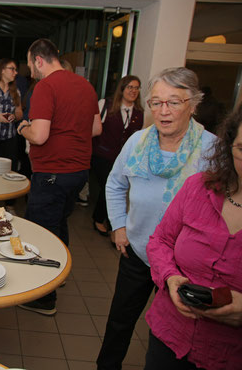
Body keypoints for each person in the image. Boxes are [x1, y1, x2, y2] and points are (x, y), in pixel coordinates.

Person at [96, 67, 217, 370]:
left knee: (172, 337)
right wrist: (119, 226)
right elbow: (114, 183)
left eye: (174, 102)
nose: (164, 111)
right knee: (119, 323)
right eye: (156, 103)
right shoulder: (137, 142)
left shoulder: (213, 150)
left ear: (193, 103)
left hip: (187, 265)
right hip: (138, 252)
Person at [144, 108, 242, 370]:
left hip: (229, 354)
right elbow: (160, 241)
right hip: (169, 334)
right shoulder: (199, 187)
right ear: (229, 146)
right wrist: (171, 277)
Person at [17, 38, 101, 315]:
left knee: (41, 233)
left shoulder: (46, 86)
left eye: (31, 65)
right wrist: (67, 133)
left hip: (52, 172)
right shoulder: (85, 86)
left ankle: (44, 297)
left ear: (39, 60)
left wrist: (23, 128)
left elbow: (39, 137)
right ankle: (58, 275)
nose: (31, 71)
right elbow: (96, 128)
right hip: (78, 172)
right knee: (60, 226)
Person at [91, 75, 144, 237]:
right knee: (109, 185)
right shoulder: (105, 105)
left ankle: (108, 220)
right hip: (102, 154)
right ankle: (101, 219)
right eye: (130, 87)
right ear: (122, 89)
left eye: (136, 88)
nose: (133, 91)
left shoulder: (139, 112)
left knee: (117, 187)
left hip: (123, 159)